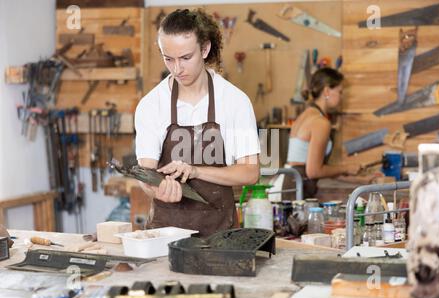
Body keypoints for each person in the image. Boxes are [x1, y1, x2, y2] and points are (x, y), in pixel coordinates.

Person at [134, 9, 260, 236]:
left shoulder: (234, 101)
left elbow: (250, 172)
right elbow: (146, 174)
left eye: (185, 58)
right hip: (165, 237)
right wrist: (156, 190)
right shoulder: (151, 105)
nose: (177, 69)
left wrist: (195, 171)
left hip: (221, 236)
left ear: (204, 49)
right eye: (168, 59)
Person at [282, 67, 360, 200]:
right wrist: (346, 168)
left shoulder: (305, 115)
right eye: (340, 92)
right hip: (300, 190)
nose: (341, 97)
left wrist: (362, 179)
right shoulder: (321, 123)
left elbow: (315, 167)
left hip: (292, 185)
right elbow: (314, 171)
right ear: (327, 91)